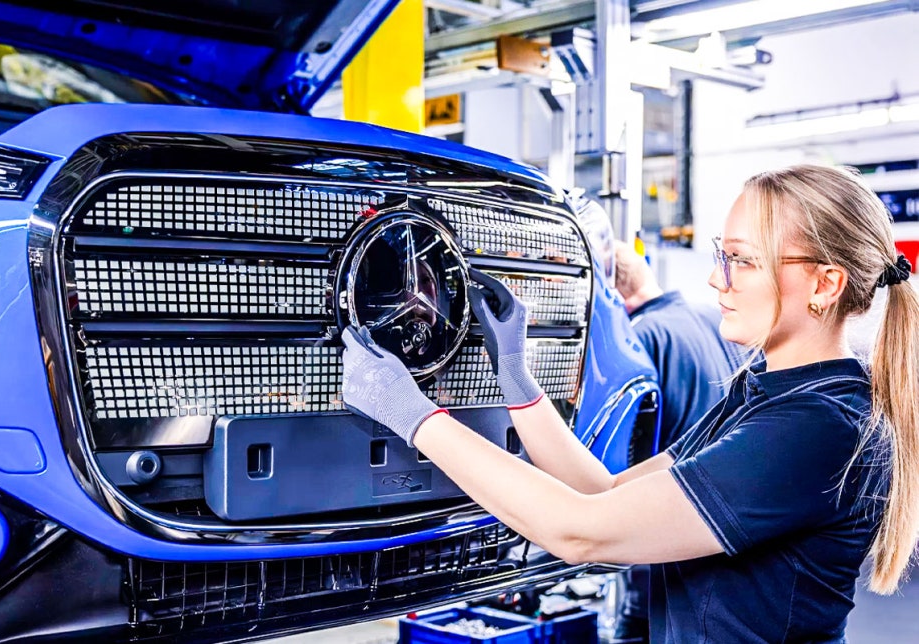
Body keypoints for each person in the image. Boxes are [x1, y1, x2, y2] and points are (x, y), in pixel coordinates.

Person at [341, 164, 919, 643]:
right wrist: (518, 381)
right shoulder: (763, 390)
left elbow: (581, 533)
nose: (717, 279)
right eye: (722, 254)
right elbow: (605, 493)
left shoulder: (820, 426)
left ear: (824, 284)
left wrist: (415, 417)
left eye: (742, 260)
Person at [611, 240, 743, 642]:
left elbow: (621, 455)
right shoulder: (713, 318)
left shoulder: (637, 338)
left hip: (663, 537)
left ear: (610, 293)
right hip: (724, 534)